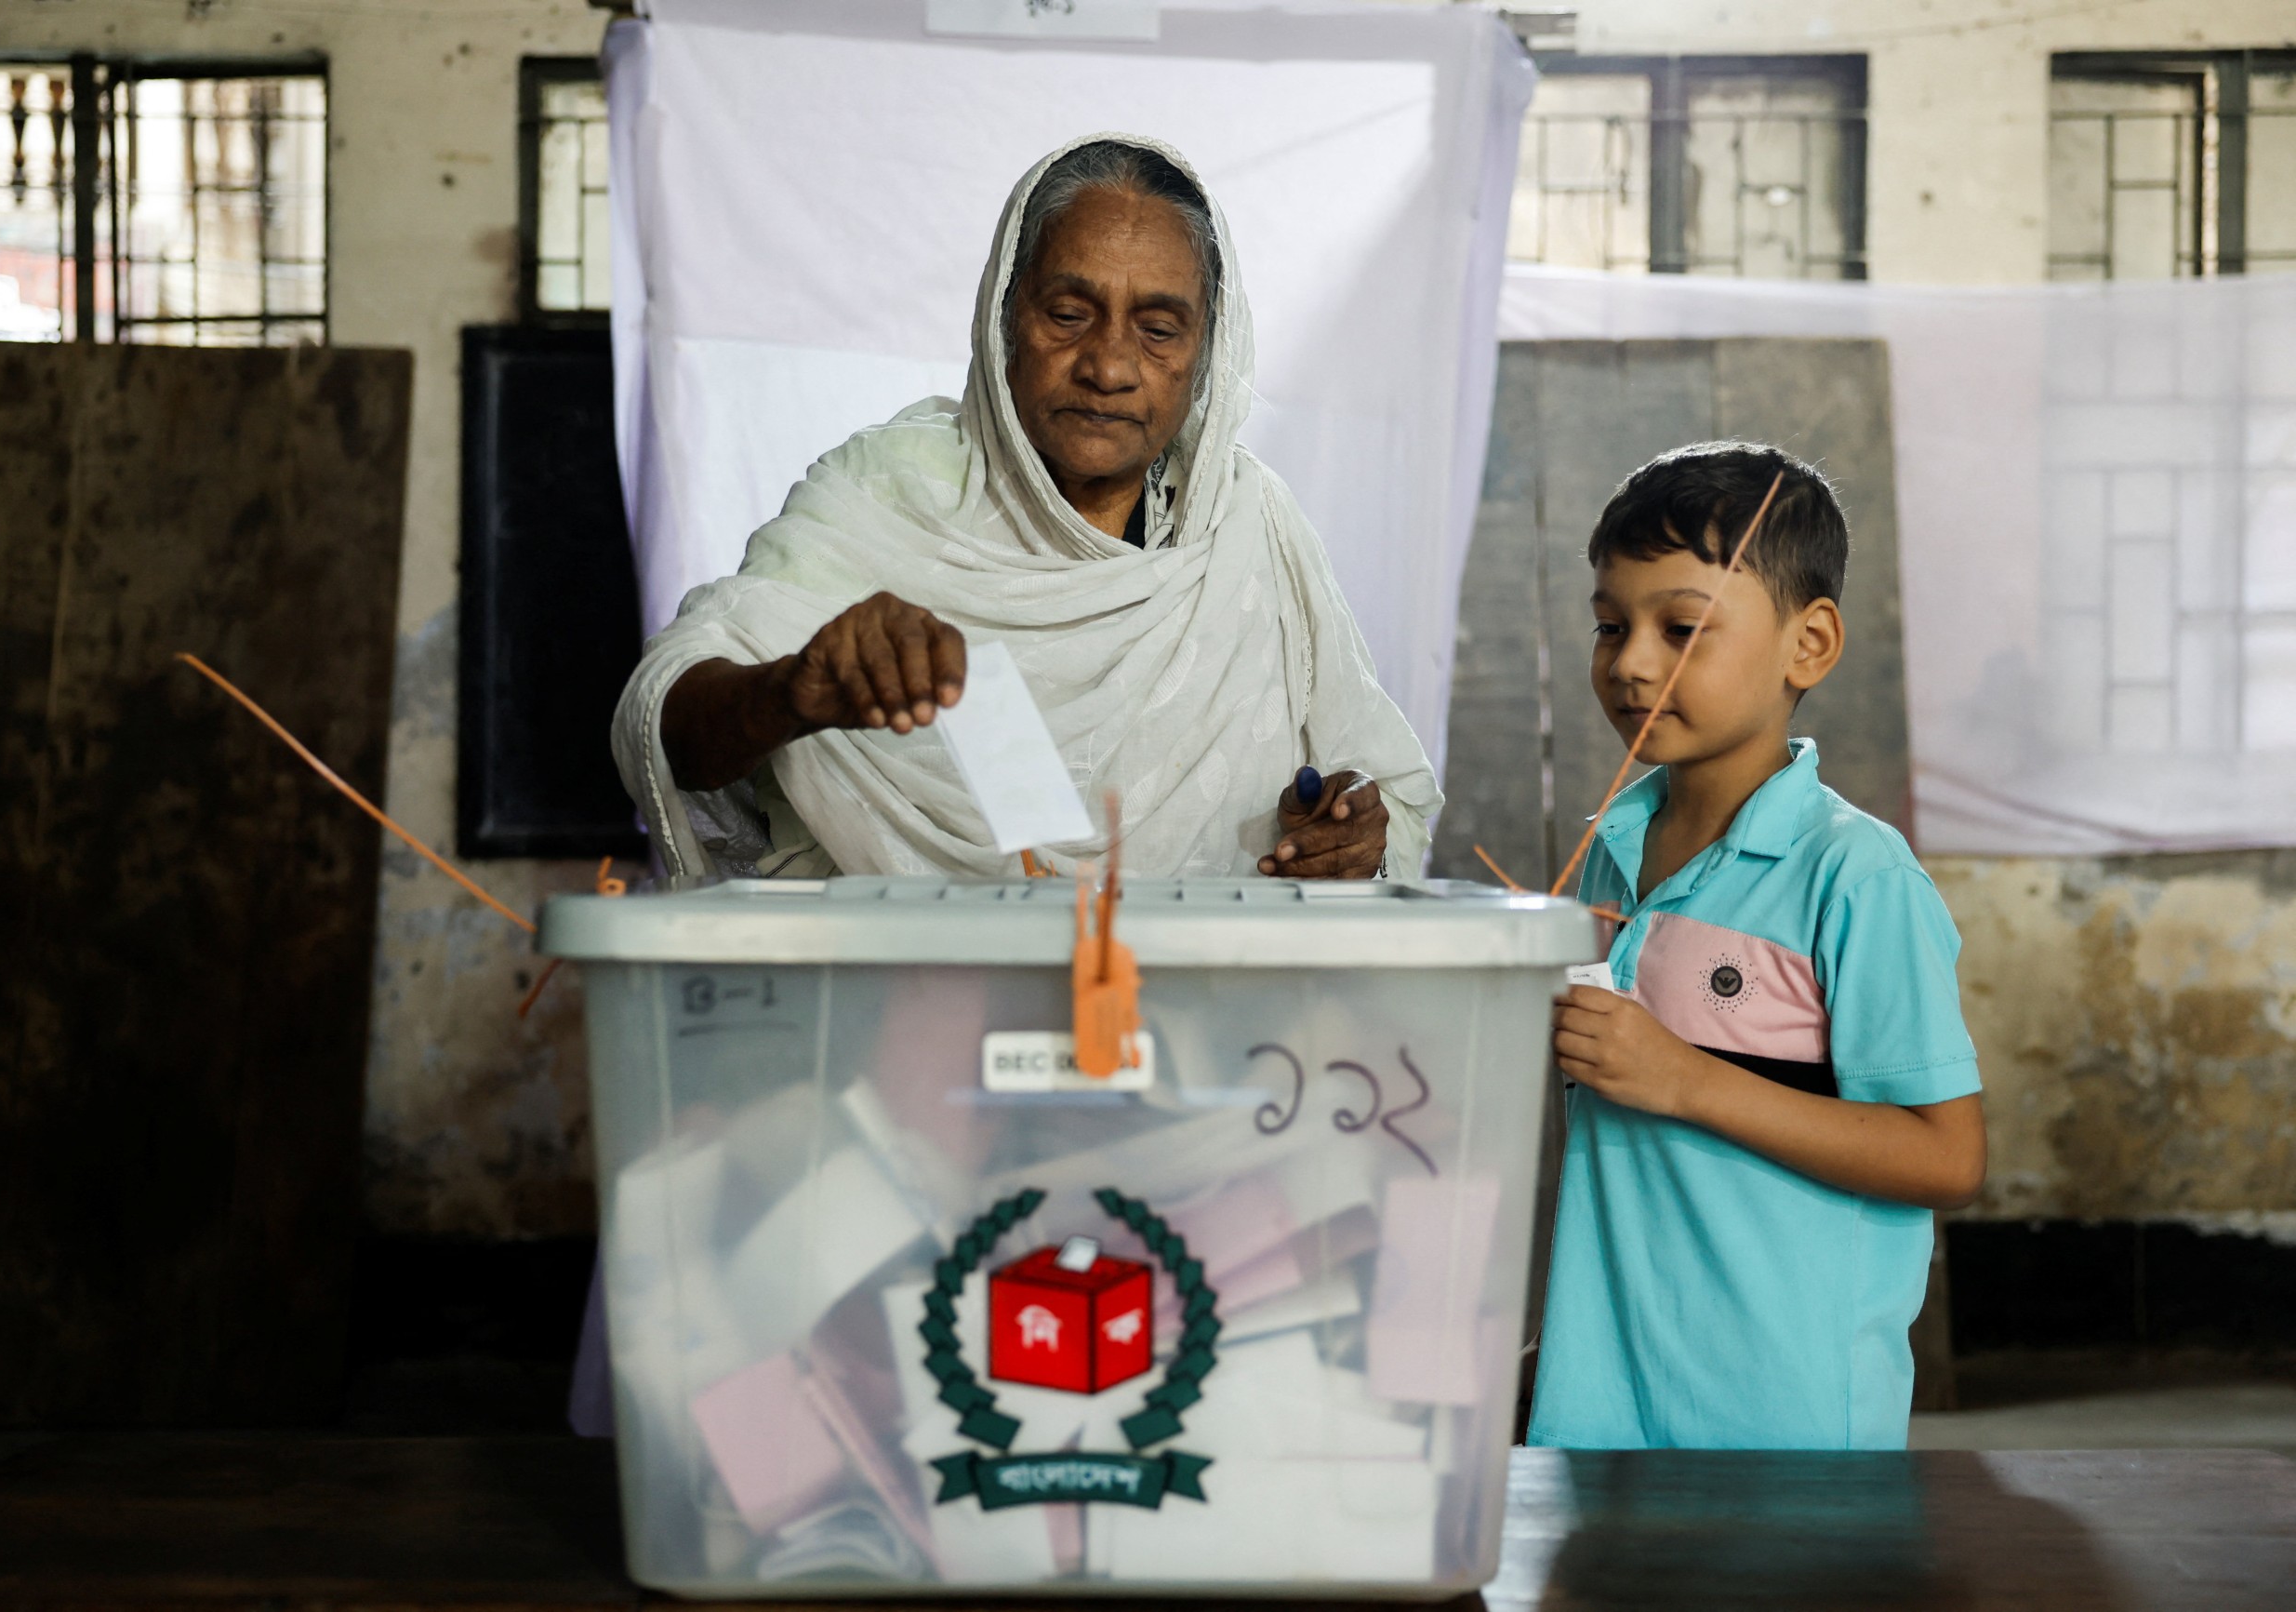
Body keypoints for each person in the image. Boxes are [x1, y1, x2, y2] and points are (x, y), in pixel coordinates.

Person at [610, 136, 1440, 883]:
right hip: (901, 1020)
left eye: (1158, 329)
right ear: (1004, 318)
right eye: (1069, 314)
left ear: (1207, 352)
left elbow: (1385, 798)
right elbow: (668, 721)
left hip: (1198, 1029)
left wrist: (1347, 836)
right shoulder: (891, 490)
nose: (1110, 365)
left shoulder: (1246, 525)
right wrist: (790, 690)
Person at [1526, 442, 1986, 1451]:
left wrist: (1684, 1078)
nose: (1631, 660)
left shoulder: (1852, 876)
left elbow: (1946, 1155)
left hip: (1783, 1416)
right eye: (1610, 624)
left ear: (1808, 643)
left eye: (1680, 627)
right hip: (1604, 1394)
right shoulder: (1614, 849)